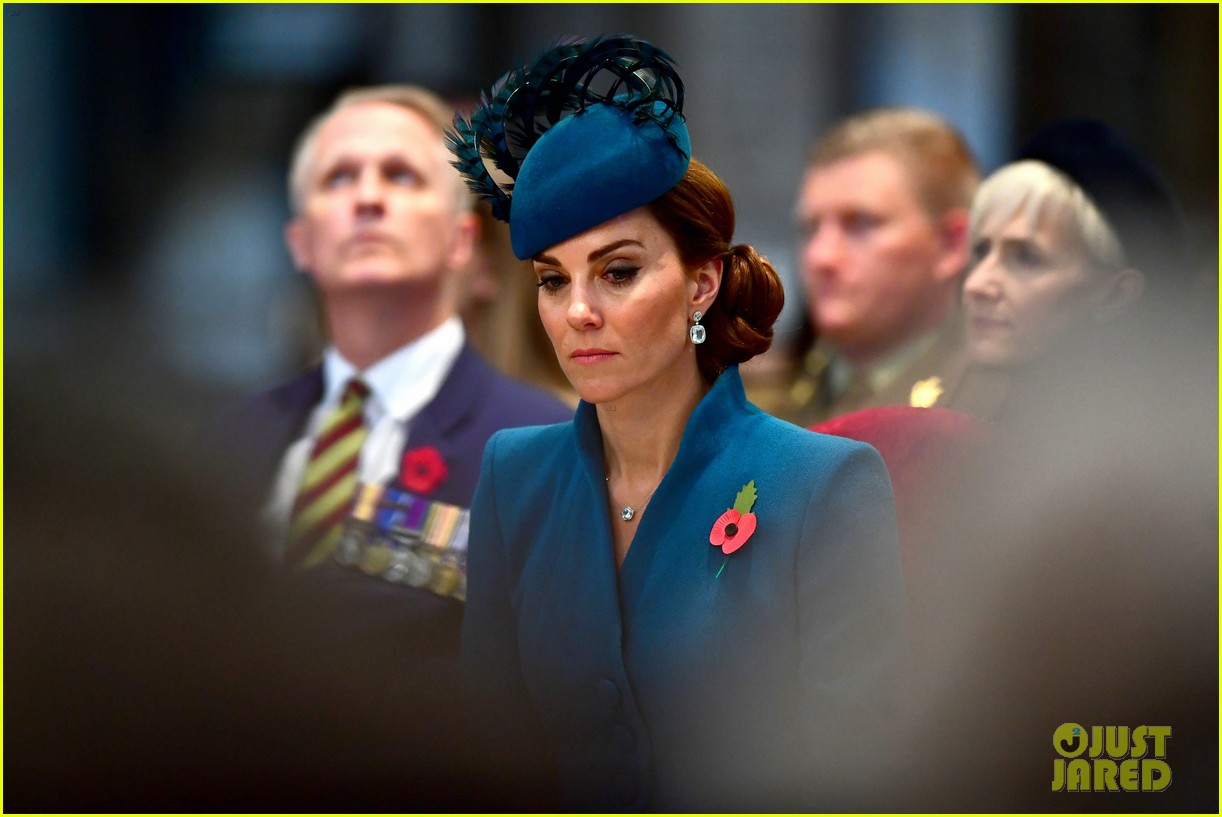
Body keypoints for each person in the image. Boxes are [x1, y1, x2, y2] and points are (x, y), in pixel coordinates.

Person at [449, 36, 907, 811]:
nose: (580, 311)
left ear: (702, 281)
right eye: (553, 281)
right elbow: (486, 756)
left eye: (618, 271)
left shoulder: (823, 485)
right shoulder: (513, 474)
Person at [207, 85, 571, 690]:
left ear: (462, 240)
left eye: (400, 177)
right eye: (339, 179)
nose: (368, 197)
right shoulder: (230, 437)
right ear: (300, 241)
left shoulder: (542, 445)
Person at [749, 107, 981, 425]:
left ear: (951, 245)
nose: (821, 257)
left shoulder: (1000, 411)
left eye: (860, 223)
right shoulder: (754, 407)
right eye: (810, 228)